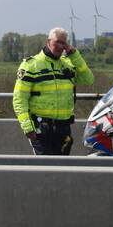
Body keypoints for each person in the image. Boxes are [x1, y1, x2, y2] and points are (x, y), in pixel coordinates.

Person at [13, 27, 94, 155]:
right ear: (48, 41)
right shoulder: (31, 65)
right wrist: (28, 127)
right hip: (41, 129)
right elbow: (19, 99)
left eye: (64, 43)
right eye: (58, 42)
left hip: (63, 129)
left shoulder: (67, 63)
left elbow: (88, 79)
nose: (61, 46)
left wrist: (75, 55)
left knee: (62, 169)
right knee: (45, 169)